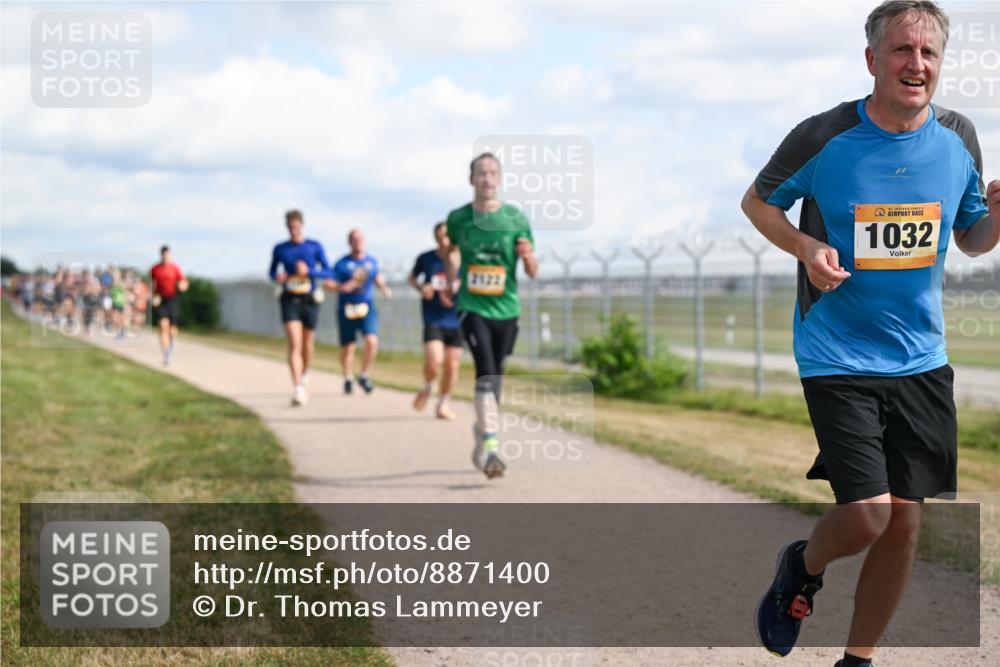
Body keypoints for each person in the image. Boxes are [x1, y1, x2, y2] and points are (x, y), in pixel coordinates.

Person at [741, 2, 998, 665]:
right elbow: (758, 201)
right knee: (868, 515)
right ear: (873, 60)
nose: (917, 64)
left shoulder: (959, 136)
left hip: (920, 357)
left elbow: (971, 239)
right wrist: (804, 247)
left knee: (905, 525)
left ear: (941, 63)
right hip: (836, 351)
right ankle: (802, 563)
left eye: (929, 53)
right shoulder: (824, 136)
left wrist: (997, 217)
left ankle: (857, 658)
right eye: (902, 50)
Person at [444, 152, 538, 479]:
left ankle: (482, 430)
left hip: (507, 309)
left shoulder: (515, 218)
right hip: (472, 306)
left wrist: (527, 258)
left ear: (500, 179)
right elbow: (452, 251)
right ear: (471, 179)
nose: (487, 178)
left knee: (496, 375)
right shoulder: (458, 218)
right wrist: (451, 271)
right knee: (484, 370)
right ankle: (492, 444)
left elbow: (533, 270)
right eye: (481, 173)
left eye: (493, 173)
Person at [269, 210, 331, 406]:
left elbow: (328, 271)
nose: (293, 230)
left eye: (296, 226)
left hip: (310, 298)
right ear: (287, 227)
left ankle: (304, 375)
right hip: (290, 299)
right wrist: (278, 277)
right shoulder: (280, 248)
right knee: (294, 343)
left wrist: (309, 271)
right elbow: (272, 271)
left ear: (302, 226)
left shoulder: (314, 246)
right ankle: (297, 388)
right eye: (290, 227)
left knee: (307, 344)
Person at [409, 222, 463, 420]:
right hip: (433, 318)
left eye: (447, 236)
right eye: (440, 237)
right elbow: (412, 278)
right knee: (435, 360)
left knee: (452, 365)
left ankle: (443, 403)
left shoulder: (464, 259)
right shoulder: (426, 259)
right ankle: (429, 385)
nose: (444, 241)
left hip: (457, 319)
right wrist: (422, 288)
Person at [330, 229, 391, 395]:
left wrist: (384, 288)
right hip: (347, 307)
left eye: (360, 239)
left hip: (366, 306)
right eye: (354, 240)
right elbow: (329, 283)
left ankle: (364, 375)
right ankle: (348, 377)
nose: (358, 242)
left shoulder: (371, 261)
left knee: (371, 340)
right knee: (348, 347)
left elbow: (376, 276)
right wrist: (341, 287)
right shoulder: (341, 263)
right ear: (349, 242)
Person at [151, 246, 189, 362]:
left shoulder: (175, 268)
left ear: (170, 255)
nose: (165, 256)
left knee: (172, 329)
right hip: (161, 300)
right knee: (163, 326)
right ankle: (166, 354)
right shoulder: (155, 269)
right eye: (163, 254)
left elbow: (184, 282)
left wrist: (183, 286)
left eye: (167, 254)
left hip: (173, 299)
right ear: (160, 255)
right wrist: (153, 296)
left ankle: (171, 342)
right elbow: (153, 284)